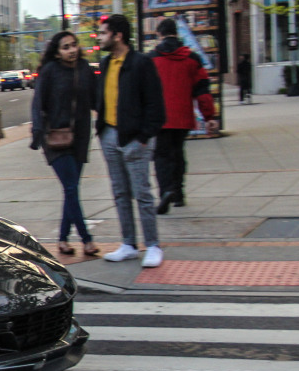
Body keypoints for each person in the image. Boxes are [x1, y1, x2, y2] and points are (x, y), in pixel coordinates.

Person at [96, 14, 167, 267]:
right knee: (120, 192)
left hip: (135, 138)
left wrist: (144, 137)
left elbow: (155, 105)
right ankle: (128, 243)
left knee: (142, 192)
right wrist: (102, 128)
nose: (99, 37)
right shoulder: (106, 64)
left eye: (103, 33)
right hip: (110, 135)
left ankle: (153, 245)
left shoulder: (141, 63)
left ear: (118, 35)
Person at [31, 31, 100, 257]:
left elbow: (96, 98)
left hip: (80, 137)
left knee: (71, 190)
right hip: (55, 138)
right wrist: (37, 133)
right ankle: (87, 240)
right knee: (71, 188)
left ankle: (62, 238)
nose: (72, 50)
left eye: (74, 45)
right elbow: (38, 102)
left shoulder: (84, 69)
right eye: (66, 47)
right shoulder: (50, 71)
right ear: (57, 52)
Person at [151, 17, 218, 215]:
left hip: (160, 118)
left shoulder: (151, 59)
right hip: (183, 117)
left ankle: (166, 190)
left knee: (161, 155)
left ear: (159, 34)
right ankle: (179, 193)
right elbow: (202, 90)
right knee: (178, 152)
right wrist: (209, 117)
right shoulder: (193, 59)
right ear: (177, 33)